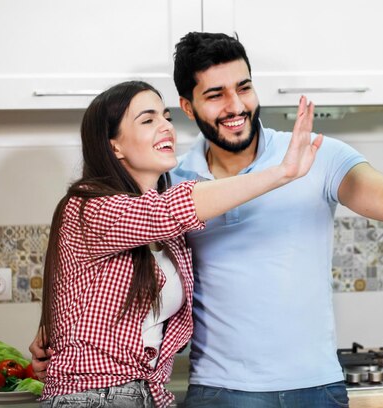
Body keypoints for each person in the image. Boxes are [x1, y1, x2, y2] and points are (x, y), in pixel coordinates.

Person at [32, 32, 383, 407]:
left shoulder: (317, 153)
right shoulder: (168, 183)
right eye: (215, 94)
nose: (235, 106)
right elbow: (93, 253)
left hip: (316, 386)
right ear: (188, 106)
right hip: (218, 391)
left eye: (244, 88)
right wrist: (53, 330)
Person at [34, 80, 322, 408]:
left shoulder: (168, 234)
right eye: (148, 119)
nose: (166, 127)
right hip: (93, 395)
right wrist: (281, 172)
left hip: (149, 394)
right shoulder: (88, 207)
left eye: (166, 116)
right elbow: (174, 208)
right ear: (114, 146)